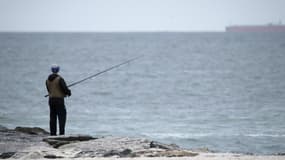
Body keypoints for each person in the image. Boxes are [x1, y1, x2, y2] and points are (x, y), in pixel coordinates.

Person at [46, 64, 71, 136]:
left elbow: (49, 90)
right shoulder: (60, 79)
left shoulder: (47, 80)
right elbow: (65, 89)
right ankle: (61, 134)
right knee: (62, 117)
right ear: (58, 70)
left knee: (52, 117)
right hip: (59, 100)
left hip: (51, 100)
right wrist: (69, 92)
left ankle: (53, 134)